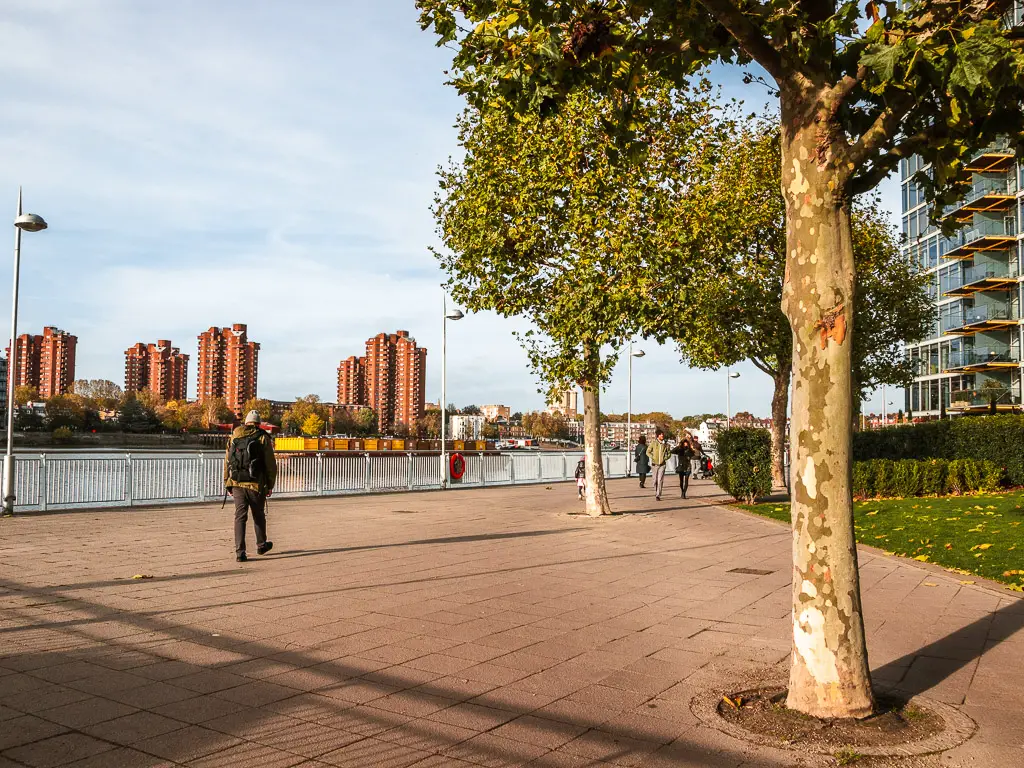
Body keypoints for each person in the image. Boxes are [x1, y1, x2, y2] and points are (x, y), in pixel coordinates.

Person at [224, 410, 278, 562]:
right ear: (258, 423)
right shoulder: (262, 437)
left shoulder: (234, 435)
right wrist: (269, 485)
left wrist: (227, 483)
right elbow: (270, 464)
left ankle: (240, 552)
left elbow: (227, 460)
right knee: (258, 514)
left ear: (246, 422)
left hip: (236, 483)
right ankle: (261, 545)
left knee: (240, 516)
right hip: (255, 483)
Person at [646, 428, 670, 501]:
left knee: (660, 480)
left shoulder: (666, 445)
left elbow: (669, 453)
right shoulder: (653, 443)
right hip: (654, 464)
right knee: (655, 481)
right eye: (661, 435)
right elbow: (648, 452)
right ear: (658, 436)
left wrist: (665, 457)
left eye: (663, 435)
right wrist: (652, 457)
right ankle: (656, 490)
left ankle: (658, 495)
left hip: (662, 464)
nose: (662, 436)